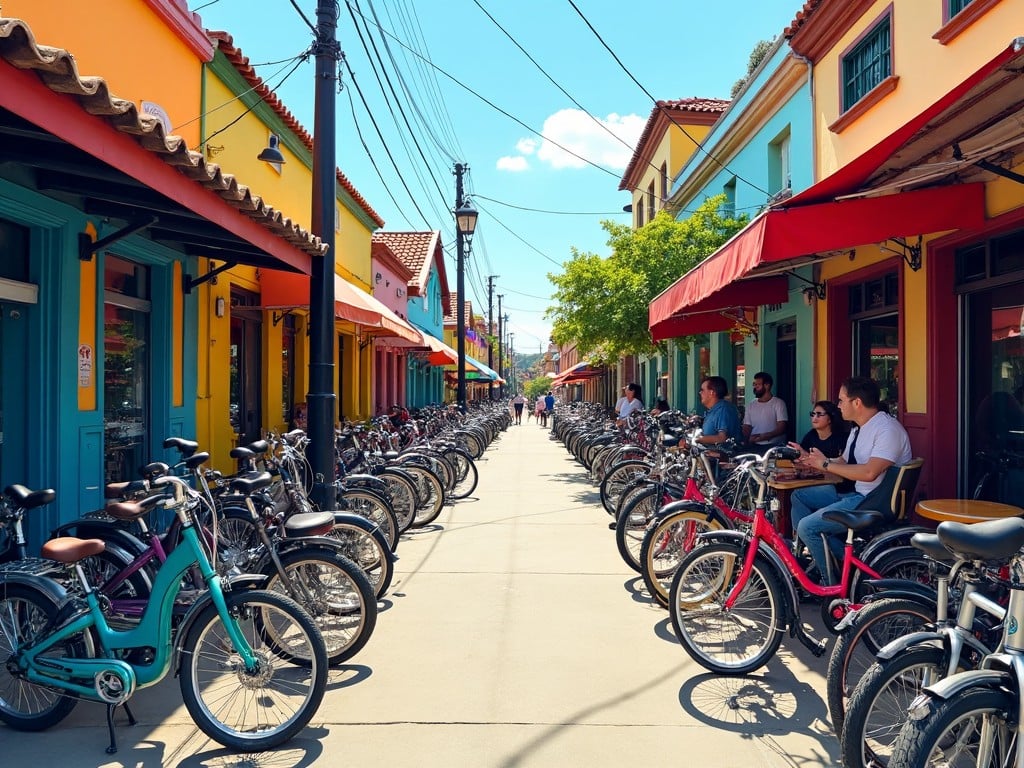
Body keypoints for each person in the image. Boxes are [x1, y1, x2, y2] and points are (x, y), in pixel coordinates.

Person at [789, 376, 913, 584]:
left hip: (870, 501)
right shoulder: (859, 428)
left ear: (857, 403)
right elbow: (844, 460)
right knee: (799, 497)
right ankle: (824, 556)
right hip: (857, 494)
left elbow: (869, 473)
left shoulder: (887, 429)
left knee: (807, 527)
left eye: (841, 400)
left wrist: (825, 465)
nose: (838, 406)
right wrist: (812, 459)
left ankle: (831, 582)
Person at [742, 371, 789, 450]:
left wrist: (766, 436)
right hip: (754, 445)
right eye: (754, 384)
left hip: (774, 446)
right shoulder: (751, 404)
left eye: (758, 385)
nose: (755, 387)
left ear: (767, 385)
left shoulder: (778, 403)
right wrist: (744, 441)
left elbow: (782, 427)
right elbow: (747, 426)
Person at [695, 376, 742, 446]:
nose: (700, 393)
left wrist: (697, 439)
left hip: (723, 455)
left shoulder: (723, 409)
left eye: (702, 390)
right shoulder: (714, 409)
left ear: (712, 392)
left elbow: (722, 438)